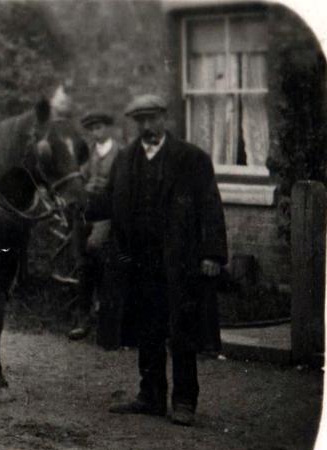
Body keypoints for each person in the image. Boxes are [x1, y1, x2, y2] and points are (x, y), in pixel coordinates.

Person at [87, 94, 227, 426]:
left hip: (180, 261)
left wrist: (212, 253)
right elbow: (107, 203)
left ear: (165, 118)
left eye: (152, 119)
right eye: (140, 120)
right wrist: (78, 199)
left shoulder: (191, 158)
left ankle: (184, 400)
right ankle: (150, 396)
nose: (147, 126)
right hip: (139, 262)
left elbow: (211, 207)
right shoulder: (126, 159)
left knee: (182, 330)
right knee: (146, 328)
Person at [67, 110, 119, 342]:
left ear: (108, 128)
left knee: (106, 269)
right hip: (85, 214)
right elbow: (80, 178)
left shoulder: (121, 154)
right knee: (83, 267)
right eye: (92, 129)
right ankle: (83, 319)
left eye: (100, 127)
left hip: (107, 215)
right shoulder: (89, 153)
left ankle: (107, 324)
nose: (96, 132)